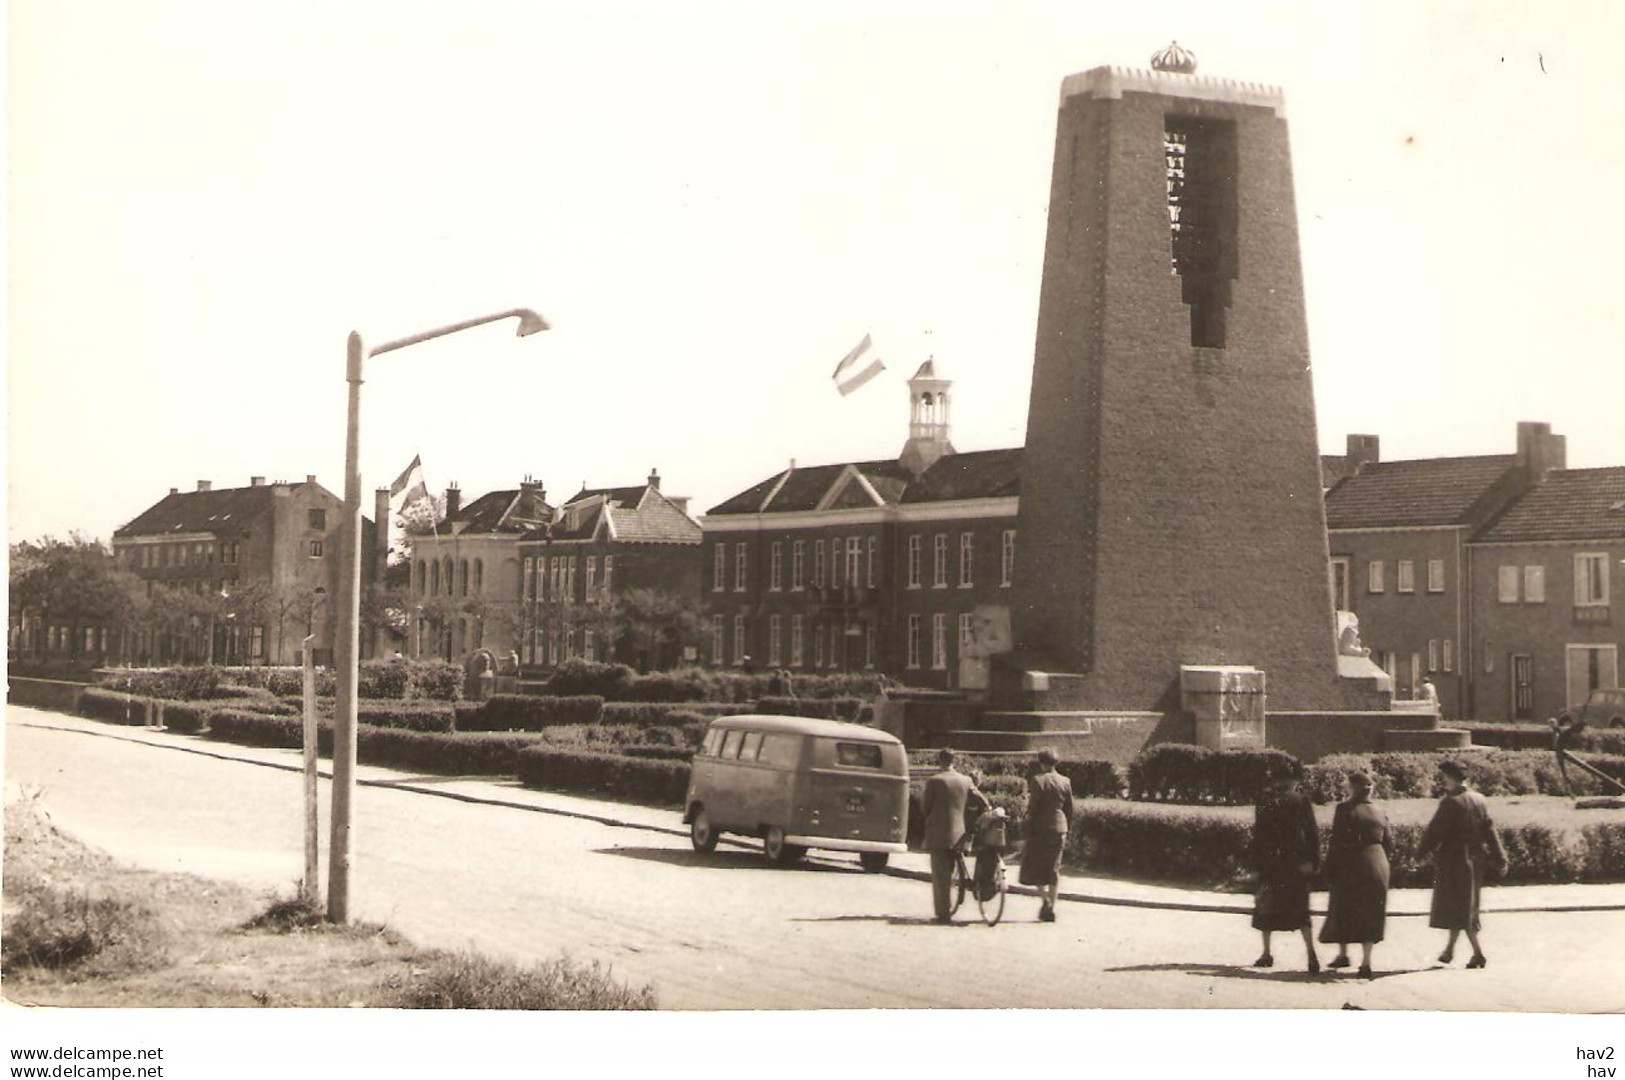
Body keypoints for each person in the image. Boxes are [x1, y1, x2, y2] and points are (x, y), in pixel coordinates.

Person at [1418, 759, 1508, 968]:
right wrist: (1500, 857)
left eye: (1444, 777)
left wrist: (1420, 853)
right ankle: (1449, 950)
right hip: (1476, 860)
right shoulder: (1480, 800)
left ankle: (1478, 953)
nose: (1442, 781)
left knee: (1460, 907)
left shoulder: (1450, 802)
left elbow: (1434, 832)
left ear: (1449, 778)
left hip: (1454, 860)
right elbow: (1490, 831)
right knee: (1464, 905)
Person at [1319, 770, 1393, 978]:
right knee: (1371, 912)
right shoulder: (1380, 811)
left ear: (1352, 788)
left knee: (1342, 906)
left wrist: (1328, 868)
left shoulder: (1344, 809)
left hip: (1351, 864)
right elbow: (1389, 844)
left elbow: (1336, 841)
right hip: (1378, 864)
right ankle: (1366, 962)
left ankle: (1343, 954)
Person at [1251, 773, 1321, 971]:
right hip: (1296, 864)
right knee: (1301, 909)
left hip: (1271, 864)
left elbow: (1259, 836)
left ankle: (1266, 953)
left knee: (1266, 908)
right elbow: (1312, 833)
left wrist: (1257, 865)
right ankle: (1311, 954)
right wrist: (1313, 861)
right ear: (1293, 782)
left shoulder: (1265, 800)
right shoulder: (1301, 801)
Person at [920, 749, 989, 923]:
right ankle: (950, 905)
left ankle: (943, 913)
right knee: (950, 870)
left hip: (938, 833)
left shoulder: (934, 781)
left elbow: (925, 808)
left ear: (940, 761)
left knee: (940, 874)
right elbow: (982, 801)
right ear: (954, 761)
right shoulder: (965, 780)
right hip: (959, 834)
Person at [1020, 748, 1075, 922]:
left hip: (1041, 830)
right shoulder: (1065, 781)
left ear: (1042, 763)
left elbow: (1033, 809)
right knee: (1053, 869)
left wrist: (1026, 826)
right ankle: (1051, 906)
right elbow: (1069, 809)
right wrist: (1067, 830)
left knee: (1034, 866)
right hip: (1060, 829)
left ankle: (1046, 902)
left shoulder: (1038, 780)